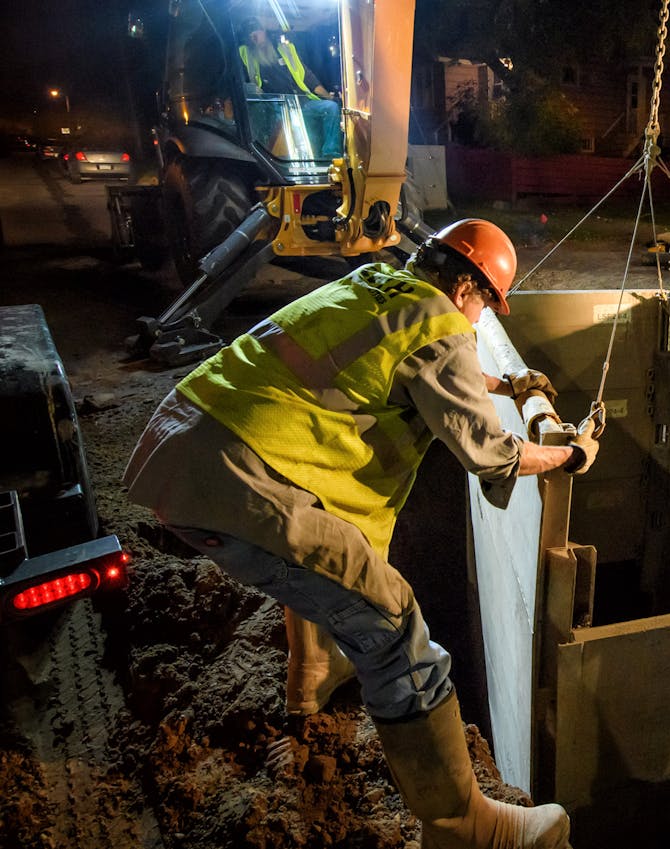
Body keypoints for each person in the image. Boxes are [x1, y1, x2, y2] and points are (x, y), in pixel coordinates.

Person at [123, 219, 593, 849]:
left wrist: (507, 383)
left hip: (184, 448)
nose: (479, 324)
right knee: (393, 620)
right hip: (241, 482)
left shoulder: (378, 287)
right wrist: (571, 455)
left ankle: (312, 673)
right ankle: (463, 823)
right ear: (464, 291)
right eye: (484, 307)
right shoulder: (445, 326)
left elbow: (424, 368)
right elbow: (492, 454)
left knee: (324, 553)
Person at [238, 18, 343, 159]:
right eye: (249, 33)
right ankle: (295, 157)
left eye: (256, 30)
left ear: (264, 31)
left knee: (330, 107)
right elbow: (241, 79)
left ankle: (331, 154)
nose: (253, 35)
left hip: (303, 103)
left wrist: (330, 97)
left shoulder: (287, 50)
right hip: (277, 107)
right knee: (290, 123)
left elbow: (308, 77)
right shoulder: (245, 54)